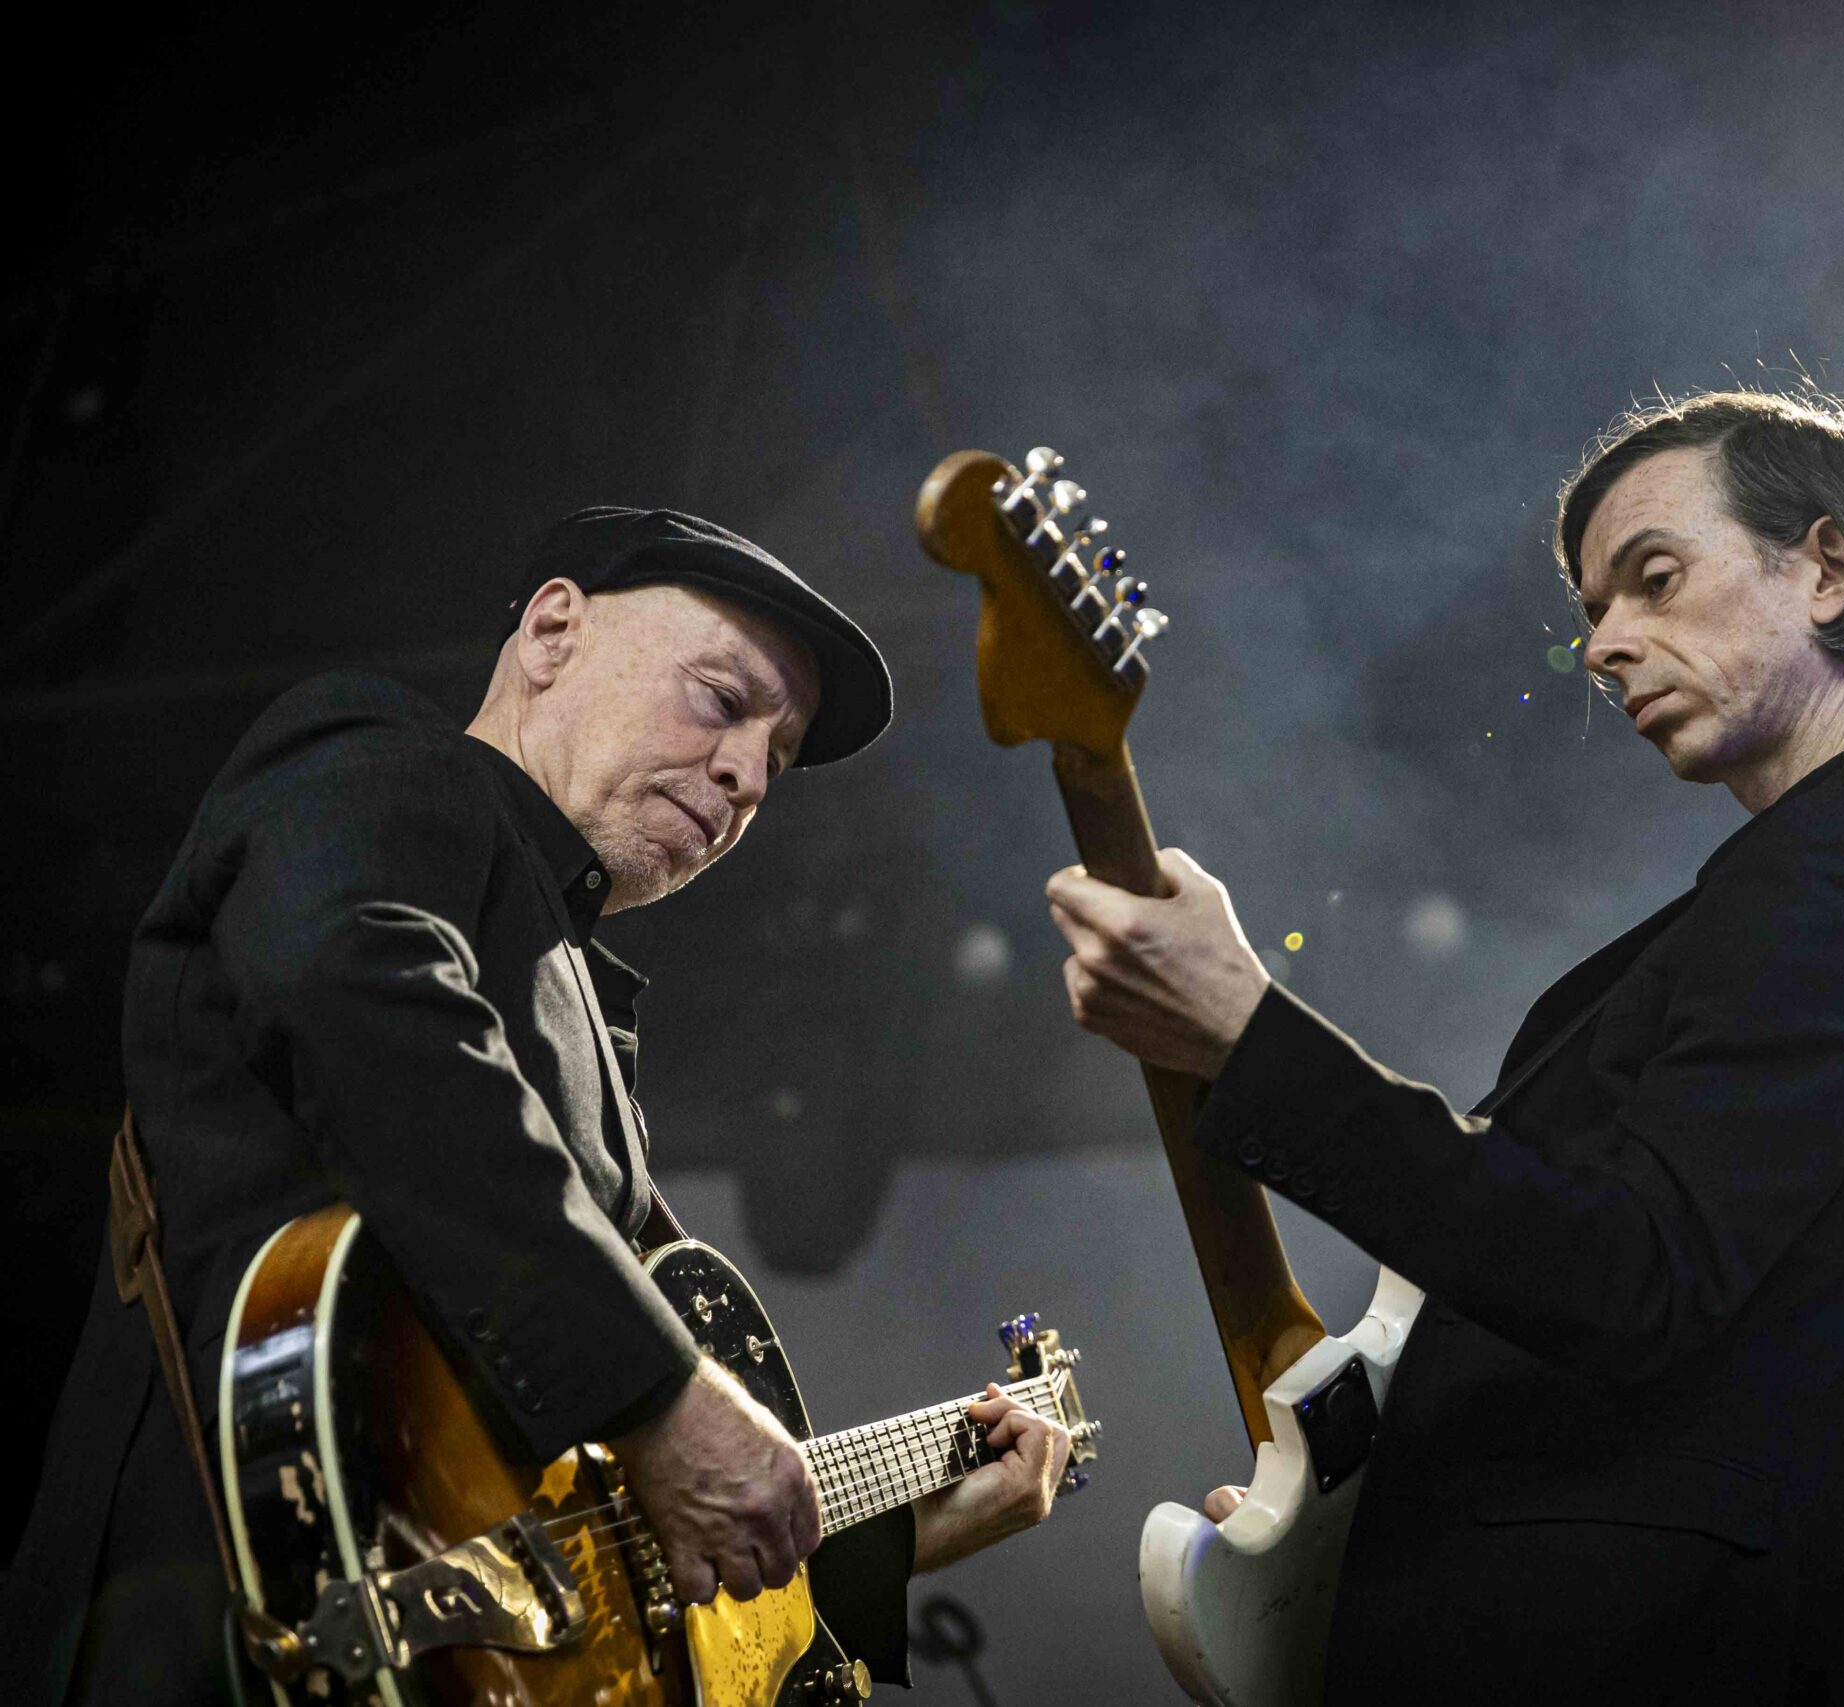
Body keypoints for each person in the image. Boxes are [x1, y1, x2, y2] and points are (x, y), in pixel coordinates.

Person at [1044, 390, 1844, 1703]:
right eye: (1592, 609)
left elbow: (1629, 1276)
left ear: (1825, 566)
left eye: (1654, 577)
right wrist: (1351, 1526)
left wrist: (1248, 1030)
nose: (1603, 645)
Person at [1, 508, 1073, 1705]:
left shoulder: (574, 994)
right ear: (554, 630)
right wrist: (659, 1389)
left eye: (775, 761)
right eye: (723, 701)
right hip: (198, 1638)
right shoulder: (379, 758)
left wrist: (894, 1535)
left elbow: (590, 1533)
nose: (746, 774)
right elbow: (359, 992)